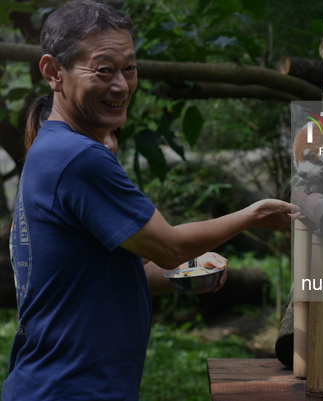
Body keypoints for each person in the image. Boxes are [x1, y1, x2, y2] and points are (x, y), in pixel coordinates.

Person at [2, 1, 299, 400]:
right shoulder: (78, 158)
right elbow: (169, 245)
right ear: (54, 72)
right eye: (104, 70)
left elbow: (114, 276)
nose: (121, 85)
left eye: (129, 68)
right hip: (69, 387)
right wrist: (251, 215)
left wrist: (185, 275)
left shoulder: (52, 148)